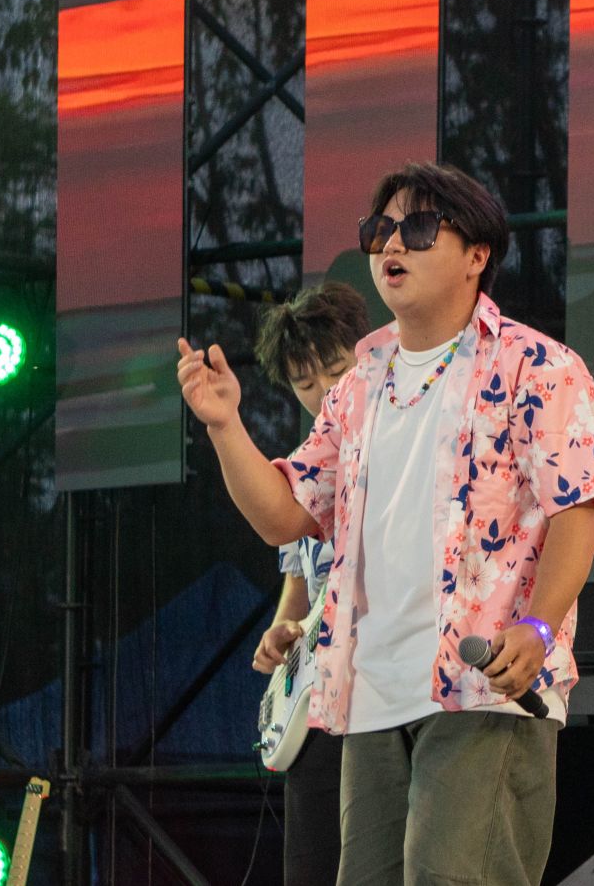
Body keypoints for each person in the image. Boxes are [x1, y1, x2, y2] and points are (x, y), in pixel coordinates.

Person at [178, 162, 594, 886]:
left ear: (476, 255)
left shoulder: (536, 365)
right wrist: (225, 425)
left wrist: (538, 627)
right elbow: (284, 516)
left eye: (418, 227)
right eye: (379, 230)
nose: (391, 245)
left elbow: (576, 511)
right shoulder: (358, 385)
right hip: (371, 692)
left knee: (453, 875)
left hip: (481, 685)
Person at [246, 278, 369, 886]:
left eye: (337, 370)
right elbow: (298, 587)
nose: (325, 392)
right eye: (305, 383)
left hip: (379, 692)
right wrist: (279, 635)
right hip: (317, 700)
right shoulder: (305, 465)